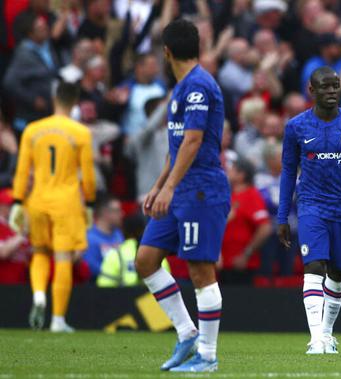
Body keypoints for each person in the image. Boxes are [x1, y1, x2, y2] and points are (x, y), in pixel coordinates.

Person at [133, 19, 229, 373]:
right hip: (179, 188)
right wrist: (160, 184)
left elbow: (193, 141)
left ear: (166, 52)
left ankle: (207, 355)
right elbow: (176, 147)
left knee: (201, 270)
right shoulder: (181, 88)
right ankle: (187, 333)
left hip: (200, 189)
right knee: (145, 259)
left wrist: (170, 187)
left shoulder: (198, 86)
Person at [278, 66, 341, 354]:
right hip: (310, 205)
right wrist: (282, 215)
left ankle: (327, 333)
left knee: (337, 273)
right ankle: (315, 339)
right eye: (325, 87)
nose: (332, 91)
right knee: (313, 266)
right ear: (311, 91)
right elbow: (287, 172)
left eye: (335, 86)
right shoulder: (296, 127)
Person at [9, 81, 96, 332]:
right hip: (66, 202)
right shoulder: (80, 132)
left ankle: (38, 296)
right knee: (62, 258)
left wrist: (17, 202)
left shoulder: (32, 129)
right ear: (75, 101)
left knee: (39, 252)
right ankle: (58, 319)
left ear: (54, 98)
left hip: (37, 200)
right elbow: (88, 176)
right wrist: (88, 203)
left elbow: (23, 170)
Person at [82, 195, 124, 281]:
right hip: (99, 289)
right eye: (117, 211)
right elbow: (92, 268)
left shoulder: (118, 235)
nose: (122, 213)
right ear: (106, 213)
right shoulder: (90, 238)